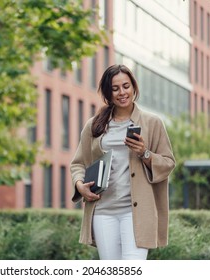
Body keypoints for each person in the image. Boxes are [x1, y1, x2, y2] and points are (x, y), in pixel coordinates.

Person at [70, 64, 175, 260]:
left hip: (136, 213)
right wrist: (79, 185)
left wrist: (144, 153)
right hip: (103, 211)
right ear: (108, 93)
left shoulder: (152, 123)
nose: (122, 92)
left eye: (126, 86)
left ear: (134, 87)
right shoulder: (94, 125)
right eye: (115, 88)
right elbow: (78, 163)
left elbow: (168, 163)